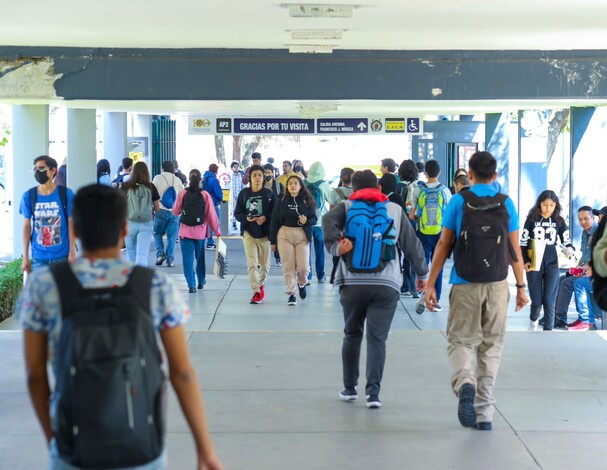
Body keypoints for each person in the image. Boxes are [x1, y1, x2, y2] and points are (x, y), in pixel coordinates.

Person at [16, 184, 223, 470]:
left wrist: (56, 441)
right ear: (124, 230)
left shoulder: (44, 286)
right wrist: (205, 450)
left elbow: (36, 376)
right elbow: (182, 372)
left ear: (76, 231)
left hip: (73, 448)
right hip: (140, 445)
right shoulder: (154, 285)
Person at [423, 151, 527, 431]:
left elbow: (444, 245)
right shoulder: (507, 203)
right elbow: (514, 249)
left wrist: (431, 283)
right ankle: (485, 414)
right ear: (495, 176)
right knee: (491, 346)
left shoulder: (458, 201)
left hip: (464, 282)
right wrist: (520, 287)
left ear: (469, 174)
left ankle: (465, 382)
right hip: (497, 284)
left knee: (460, 341)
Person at [322, 169, 428, 409]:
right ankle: (373, 394)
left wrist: (338, 246)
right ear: (379, 188)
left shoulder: (347, 206)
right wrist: (422, 274)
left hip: (351, 283)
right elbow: (412, 245)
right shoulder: (394, 209)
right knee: (377, 338)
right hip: (386, 284)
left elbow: (326, 221)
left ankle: (350, 389)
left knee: (352, 334)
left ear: (353, 189)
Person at [519, 190, 571, 330]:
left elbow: (566, 241)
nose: (548, 208)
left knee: (549, 300)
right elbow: (523, 242)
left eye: (552, 205)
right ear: (539, 204)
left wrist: (569, 249)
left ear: (556, 206)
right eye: (545, 204)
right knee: (536, 301)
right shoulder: (531, 219)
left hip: (551, 261)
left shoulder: (559, 221)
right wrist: (525, 261)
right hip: (534, 261)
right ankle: (533, 320)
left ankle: (548, 330)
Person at [20, 155, 76, 273]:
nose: (37, 171)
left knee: (62, 291)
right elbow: (26, 226)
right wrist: (25, 257)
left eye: (41, 168)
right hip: (39, 257)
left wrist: (72, 252)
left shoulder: (66, 194)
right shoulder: (29, 196)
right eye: (35, 169)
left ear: (53, 170)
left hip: (62, 255)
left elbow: (72, 224)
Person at [409, 159, 452, 311]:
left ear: (425, 173)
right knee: (437, 266)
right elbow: (450, 217)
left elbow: (412, 216)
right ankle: (436, 300)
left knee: (422, 265)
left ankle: (423, 290)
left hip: (423, 233)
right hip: (440, 234)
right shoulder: (445, 191)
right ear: (439, 172)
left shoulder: (418, 190)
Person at [269, 174, 317, 306]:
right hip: (285, 235)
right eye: (290, 184)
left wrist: (306, 221)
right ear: (287, 187)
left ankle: (302, 284)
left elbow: (314, 219)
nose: (293, 186)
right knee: (288, 267)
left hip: (302, 235)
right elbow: (274, 221)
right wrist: (272, 241)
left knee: (303, 268)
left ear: (301, 186)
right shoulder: (282, 200)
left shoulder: (307, 201)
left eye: (296, 183)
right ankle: (291, 294)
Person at [172, 169, 221, 293]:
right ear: (200, 180)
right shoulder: (205, 195)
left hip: (185, 232)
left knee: (187, 260)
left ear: (188, 179)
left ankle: (191, 285)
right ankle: (201, 281)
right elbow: (211, 214)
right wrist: (216, 231)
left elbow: (175, 211)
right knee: (200, 258)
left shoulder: (183, 193)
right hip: (200, 233)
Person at [234, 165, 276, 304]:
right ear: (250, 178)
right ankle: (256, 291)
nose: (257, 178)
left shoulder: (269, 195)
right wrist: (246, 218)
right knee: (252, 264)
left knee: (265, 265)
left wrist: (265, 218)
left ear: (264, 177)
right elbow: (237, 213)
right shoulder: (244, 194)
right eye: (254, 175)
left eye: (260, 175)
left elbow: (276, 214)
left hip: (265, 235)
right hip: (248, 233)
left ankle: (261, 284)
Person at [554, 206, 598, 330]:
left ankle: (585, 320)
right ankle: (560, 318)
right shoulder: (585, 233)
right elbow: (585, 256)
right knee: (564, 280)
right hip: (588, 272)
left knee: (575, 283)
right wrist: (579, 267)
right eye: (580, 219)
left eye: (586, 219)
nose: (582, 222)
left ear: (593, 218)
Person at [123, 161, 160, 267]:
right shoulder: (151, 186)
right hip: (146, 223)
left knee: (131, 254)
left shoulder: (126, 186)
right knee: (142, 255)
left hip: (129, 223)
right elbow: (157, 208)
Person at [397, 159, 422, 298]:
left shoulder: (399, 186)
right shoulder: (418, 187)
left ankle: (403, 285)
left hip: (401, 221)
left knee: (398, 252)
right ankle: (412, 286)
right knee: (410, 255)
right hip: (414, 222)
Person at [152, 160, 184, 267]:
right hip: (174, 212)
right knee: (172, 237)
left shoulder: (157, 178)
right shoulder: (178, 180)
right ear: (173, 169)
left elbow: (153, 194)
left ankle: (160, 254)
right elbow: (181, 196)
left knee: (157, 233)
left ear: (163, 168)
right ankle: (170, 260)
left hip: (160, 210)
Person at [305, 161, 332, 283]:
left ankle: (308, 276)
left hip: (306, 222)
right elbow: (331, 200)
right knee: (320, 250)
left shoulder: (303, 183)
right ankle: (320, 276)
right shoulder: (323, 185)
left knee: (306, 251)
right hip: (320, 222)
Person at [264, 163, 283, 267]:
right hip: (264, 215)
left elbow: (283, 198)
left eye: (269, 172)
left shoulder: (278, 185)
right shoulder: (260, 184)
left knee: (277, 236)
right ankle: (263, 259)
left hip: (276, 215)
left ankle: (278, 257)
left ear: (273, 173)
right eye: (265, 172)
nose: (267, 174)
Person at [203, 163, 224, 250]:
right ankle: (210, 242)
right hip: (213, 204)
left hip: (203, 204)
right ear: (216, 170)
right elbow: (218, 193)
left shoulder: (204, 179)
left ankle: (203, 241)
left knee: (204, 223)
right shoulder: (214, 180)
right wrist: (221, 199)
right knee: (212, 223)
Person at [229, 161, 245, 232]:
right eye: (234, 167)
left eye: (237, 166)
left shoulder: (241, 175)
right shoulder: (229, 176)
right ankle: (234, 223)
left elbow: (243, 185)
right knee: (233, 209)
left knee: (241, 209)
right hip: (232, 196)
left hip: (240, 195)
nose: (236, 168)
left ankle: (242, 222)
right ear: (232, 168)